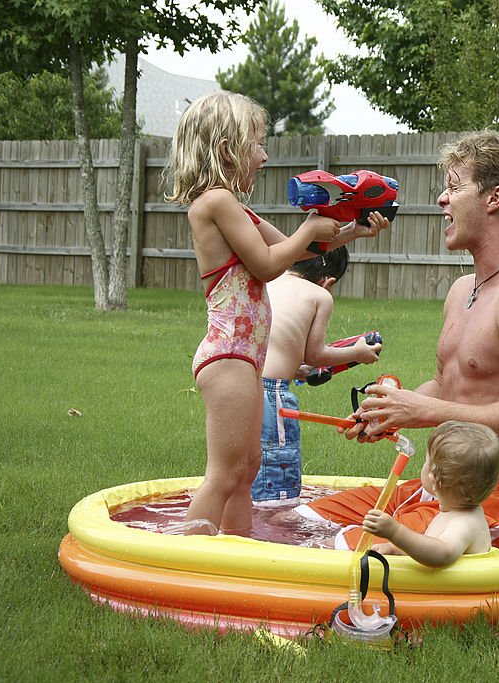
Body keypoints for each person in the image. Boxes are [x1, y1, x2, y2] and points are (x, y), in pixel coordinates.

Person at [294, 130, 499, 549]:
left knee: (341, 547)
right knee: (298, 521)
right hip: (432, 491)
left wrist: (424, 410)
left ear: (495, 198)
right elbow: (444, 385)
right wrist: (386, 411)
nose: (442, 198)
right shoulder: (462, 290)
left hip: (485, 502)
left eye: (455, 186)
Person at [164, 91, 388, 535]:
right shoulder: (214, 203)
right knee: (224, 473)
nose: (264, 156)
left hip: (247, 357)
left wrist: (353, 232)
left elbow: (304, 249)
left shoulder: (236, 208)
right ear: (228, 149)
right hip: (227, 354)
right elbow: (268, 265)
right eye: (258, 144)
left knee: (246, 470)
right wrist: (308, 229)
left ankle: (237, 552)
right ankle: (180, 562)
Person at [253, 247, 382, 506]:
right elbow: (314, 354)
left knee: (247, 465)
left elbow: (273, 341)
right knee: (276, 473)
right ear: (328, 281)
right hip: (270, 394)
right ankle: (272, 531)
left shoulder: (271, 280)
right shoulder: (319, 295)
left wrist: (294, 369)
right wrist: (356, 352)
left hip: (241, 382)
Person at [361, 421, 499, 567]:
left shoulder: (464, 523)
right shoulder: (458, 513)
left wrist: (395, 532)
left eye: (426, 460)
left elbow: (442, 554)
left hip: (452, 590)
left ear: (434, 478)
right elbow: (428, 546)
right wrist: (395, 548)